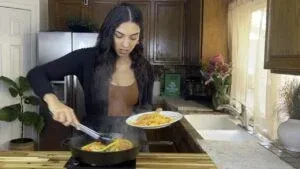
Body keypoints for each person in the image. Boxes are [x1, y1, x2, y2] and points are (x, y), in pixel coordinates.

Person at [27, 3, 154, 151]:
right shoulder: (87, 58)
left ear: (140, 37)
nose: (126, 44)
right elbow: (36, 74)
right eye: (119, 35)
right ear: (109, 33)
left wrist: (153, 116)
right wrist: (54, 102)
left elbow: (145, 108)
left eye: (133, 37)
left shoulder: (145, 67)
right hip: (93, 141)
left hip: (134, 143)